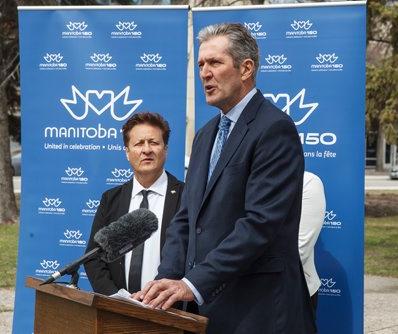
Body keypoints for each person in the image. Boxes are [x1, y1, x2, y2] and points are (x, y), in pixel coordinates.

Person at [133, 23, 316, 333]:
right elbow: (186, 218)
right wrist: (168, 279)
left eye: (215, 63)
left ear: (246, 68)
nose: (205, 73)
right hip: (207, 312)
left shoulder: (274, 129)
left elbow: (259, 224)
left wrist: (194, 283)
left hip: (259, 313)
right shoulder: (205, 136)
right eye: (201, 64)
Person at [84, 112, 184, 295]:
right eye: (139, 143)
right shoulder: (111, 198)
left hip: (170, 310)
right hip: (118, 310)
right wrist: (115, 298)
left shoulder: (186, 196)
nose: (147, 150)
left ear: (166, 149)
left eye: (153, 142)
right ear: (127, 152)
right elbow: (93, 257)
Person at [299, 171, 326, 312]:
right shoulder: (238, 181)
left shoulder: (307, 181)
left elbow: (300, 249)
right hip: (233, 291)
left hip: (293, 293)